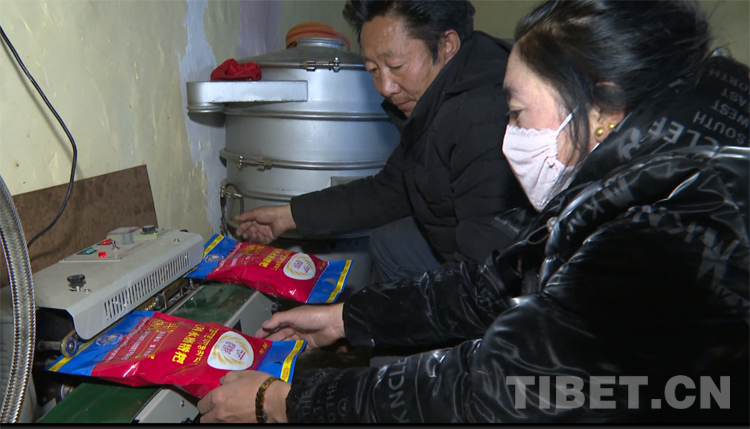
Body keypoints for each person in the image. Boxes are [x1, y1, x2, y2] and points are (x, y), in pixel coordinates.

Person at [198, 0, 750, 423]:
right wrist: (349, 318)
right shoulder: (638, 172)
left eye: (517, 112)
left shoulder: (667, 232)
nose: (508, 136)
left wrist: (285, 401)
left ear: (601, 103)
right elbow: (499, 280)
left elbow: (497, 387)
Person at [234, 0, 527, 283]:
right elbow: (391, 190)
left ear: (446, 45)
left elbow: (484, 279)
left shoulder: (481, 117)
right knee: (391, 242)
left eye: (396, 65)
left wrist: (349, 312)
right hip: (471, 253)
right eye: (373, 70)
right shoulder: (439, 98)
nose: (385, 87)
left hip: (508, 281)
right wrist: (289, 216)